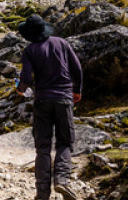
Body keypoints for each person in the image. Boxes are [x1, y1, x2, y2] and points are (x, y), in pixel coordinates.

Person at [16, 15, 83, 200]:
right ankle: (62, 180)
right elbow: (77, 68)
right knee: (65, 142)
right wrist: (76, 90)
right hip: (63, 98)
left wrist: (21, 90)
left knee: (43, 147)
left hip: (42, 100)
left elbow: (27, 79)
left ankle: (42, 193)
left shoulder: (29, 51)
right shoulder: (62, 43)